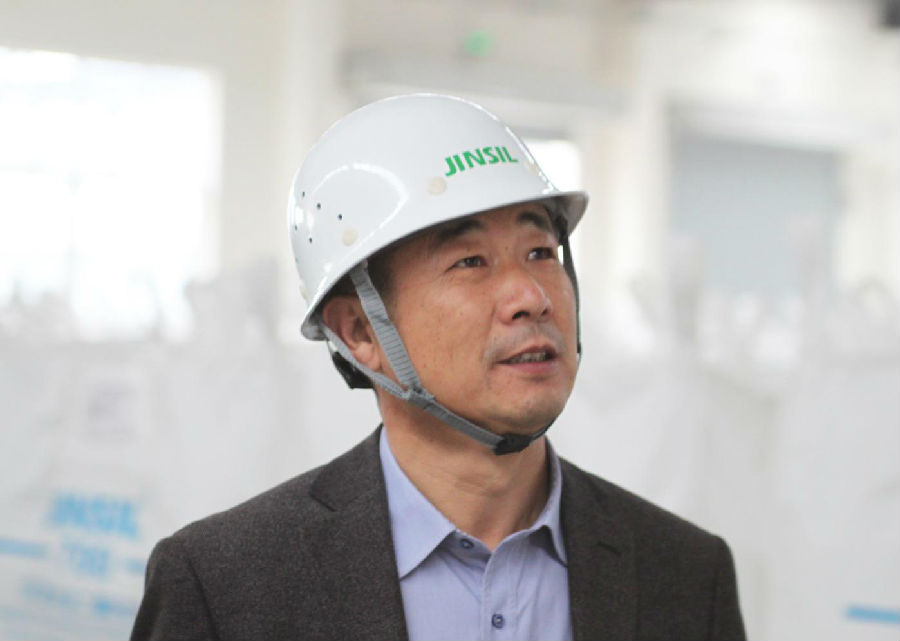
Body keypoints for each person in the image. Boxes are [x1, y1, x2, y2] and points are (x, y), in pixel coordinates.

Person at [130, 94, 745, 641]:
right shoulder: (225, 586)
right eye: (470, 262)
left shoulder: (684, 575)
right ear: (361, 332)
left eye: (541, 251)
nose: (532, 296)